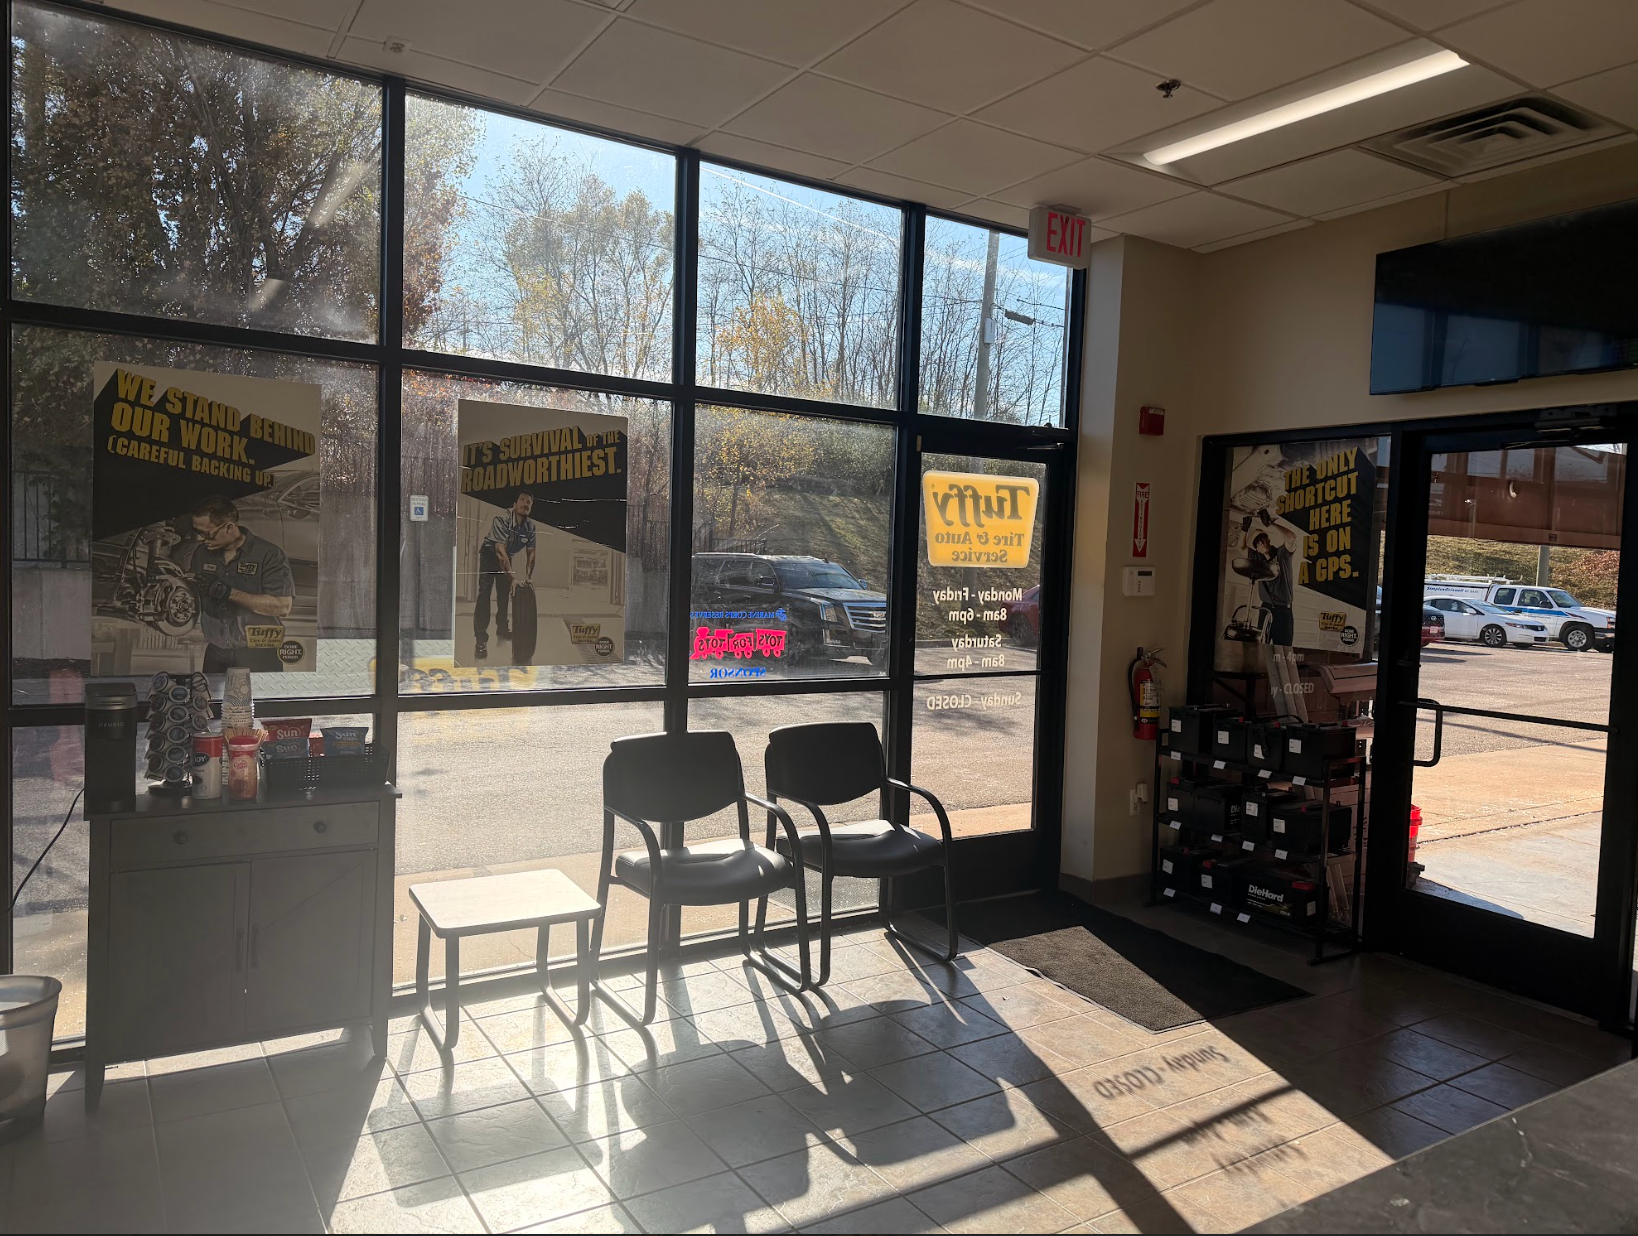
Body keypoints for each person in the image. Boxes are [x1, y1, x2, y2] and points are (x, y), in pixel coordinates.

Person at [188, 494, 295, 673]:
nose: (200, 539)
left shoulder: (268, 554)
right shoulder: (201, 554)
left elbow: (282, 607)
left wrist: (227, 592)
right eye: (197, 532)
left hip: (259, 653)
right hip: (216, 652)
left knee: (258, 701)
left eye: (207, 533)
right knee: (215, 701)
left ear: (229, 527)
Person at [475, 491, 537, 659]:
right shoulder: (502, 519)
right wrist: (513, 578)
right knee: (484, 594)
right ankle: (480, 639)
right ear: (514, 504)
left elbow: (531, 554)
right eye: (522, 500)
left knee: (504, 595)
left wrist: (528, 578)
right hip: (490, 555)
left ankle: (502, 628)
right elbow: (500, 552)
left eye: (529, 502)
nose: (526, 504)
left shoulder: (530, 527)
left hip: (506, 556)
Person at [1234, 509, 1299, 646]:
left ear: (1268, 539)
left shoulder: (1282, 554)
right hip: (1266, 608)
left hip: (1283, 611)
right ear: (1256, 549)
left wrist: (1270, 524)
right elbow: (1241, 547)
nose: (1261, 543)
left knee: (1283, 650)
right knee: (1262, 647)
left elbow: (1292, 537)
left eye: (1263, 539)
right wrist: (1244, 529)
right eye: (1257, 543)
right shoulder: (1257, 559)